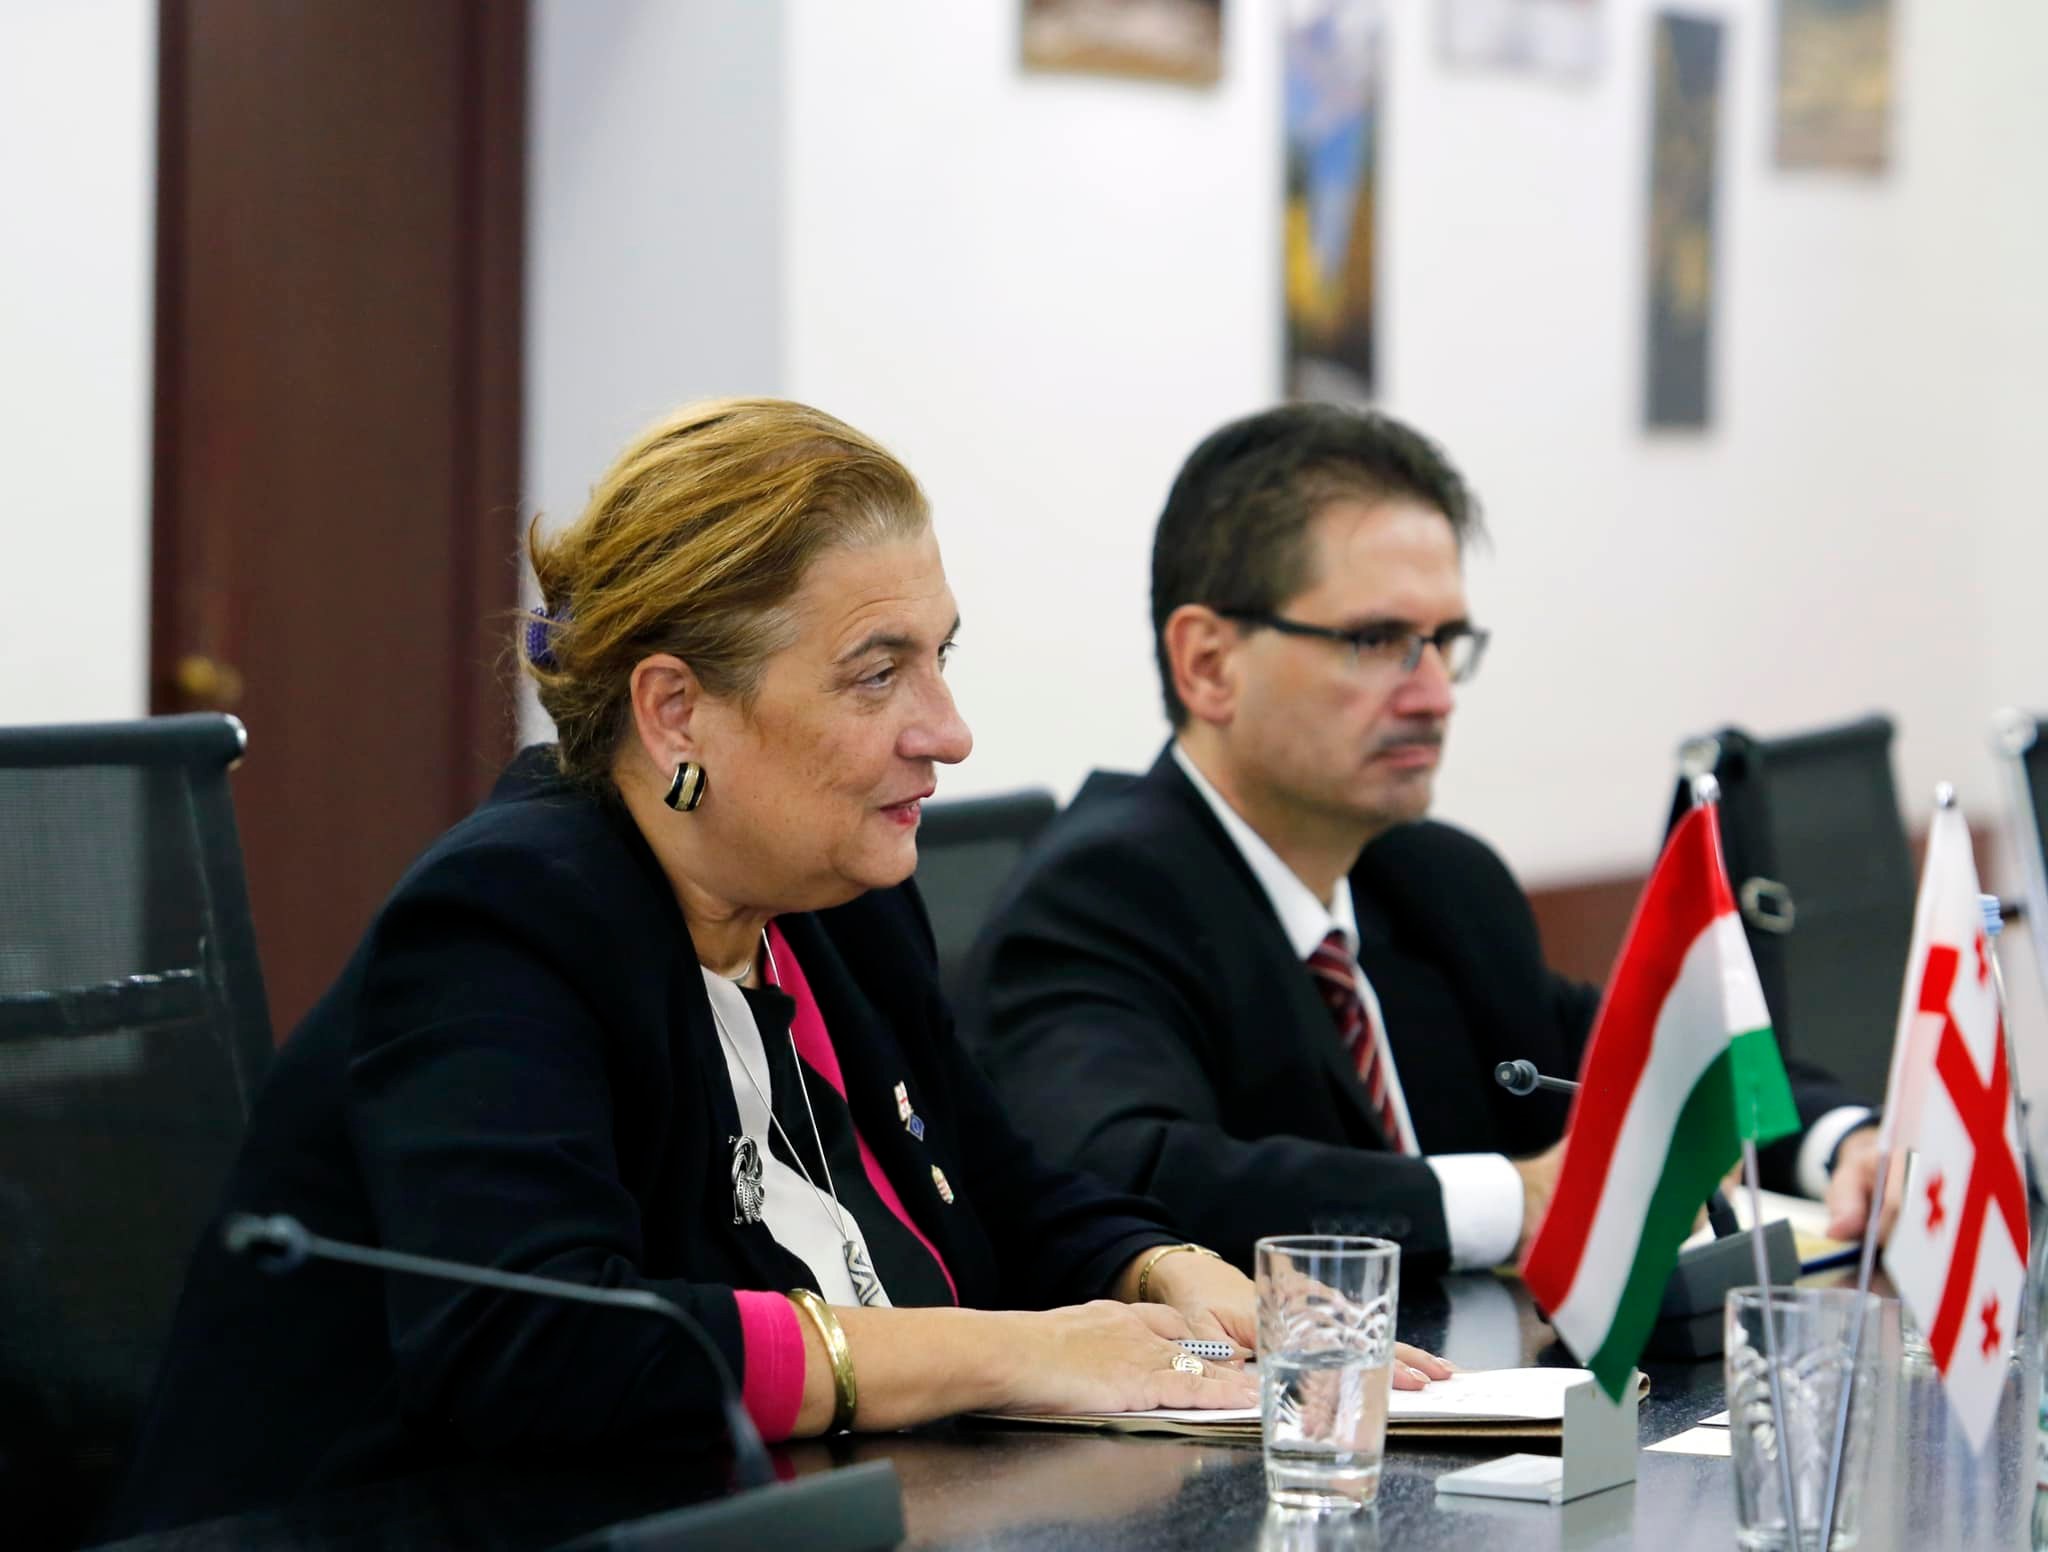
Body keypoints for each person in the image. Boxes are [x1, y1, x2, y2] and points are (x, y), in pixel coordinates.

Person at [107, 400, 1454, 1535]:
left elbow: (1002, 1184)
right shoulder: (505, 922)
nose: (949, 731)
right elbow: (541, 1346)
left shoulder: (836, 902)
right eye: (876, 676)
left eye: (941, 658)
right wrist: (1023, 1350)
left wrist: (1166, 1272)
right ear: (675, 710)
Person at [959, 402, 1884, 1280]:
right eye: (1377, 640)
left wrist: (1843, 1142)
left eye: (1446, 642)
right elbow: (1126, 1179)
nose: (1436, 694)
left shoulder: (1436, 880)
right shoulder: (1101, 896)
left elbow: (1659, 1062)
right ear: (1209, 665)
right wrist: (1515, 1201)